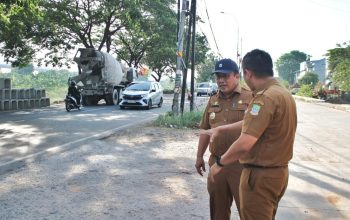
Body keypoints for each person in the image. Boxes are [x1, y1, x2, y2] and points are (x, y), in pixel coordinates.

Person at [204, 49, 297, 220]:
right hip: (278, 173)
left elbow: (245, 142)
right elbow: (253, 123)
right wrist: (221, 129)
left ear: (246, 73)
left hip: (260, 176)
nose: (221, 80)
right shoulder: (283, 94)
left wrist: (219, 164)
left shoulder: (264, 98)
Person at [195, 58, 252, 220]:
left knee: (247, 211)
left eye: (225, 76)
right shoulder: (213, 100)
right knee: (218, 212)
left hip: (242, 165)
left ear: (236, 76)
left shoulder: (251, 97)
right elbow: (205, 130)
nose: (221, 80)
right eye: (218, 76)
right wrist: (199, 156)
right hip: (217, 164)